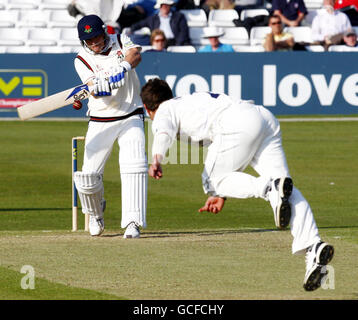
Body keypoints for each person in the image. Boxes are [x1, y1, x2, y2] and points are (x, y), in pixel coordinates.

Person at [140, 78, 335, 291]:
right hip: (263, 118)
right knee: (285, 190)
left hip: (237, 123)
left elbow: (163, 132)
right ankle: (313, 246)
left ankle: (269, 189)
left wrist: (156, 159)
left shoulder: (164, 110)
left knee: (213, 179)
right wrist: (221, 194)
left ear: (147, 108)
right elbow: (231, 151)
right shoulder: (188, 101)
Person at [72, 15, 148, 239]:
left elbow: (135, 56)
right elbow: (92, 88)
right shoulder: (81, 59)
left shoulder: (120, 40)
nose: (95, 43)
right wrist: (100, 85)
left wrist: (122, 68)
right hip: (100, 119)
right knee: (87, 178)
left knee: (134, 165)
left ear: (104, 32)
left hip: (131, 114)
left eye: (97, 37)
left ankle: (133, 222)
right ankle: (96, 214)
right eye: (90, 40)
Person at [124, 0, 191, 46]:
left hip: (174, 42)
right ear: (160, 7)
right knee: (135, 39)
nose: (165, 7)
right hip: (158, 42)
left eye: (167, 5)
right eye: (163, 5)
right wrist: (131, 29)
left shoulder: (179, 16)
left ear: (170, 6)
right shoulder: (153, 18)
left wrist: (177, 45)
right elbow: (139, 24)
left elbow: (183, 32)